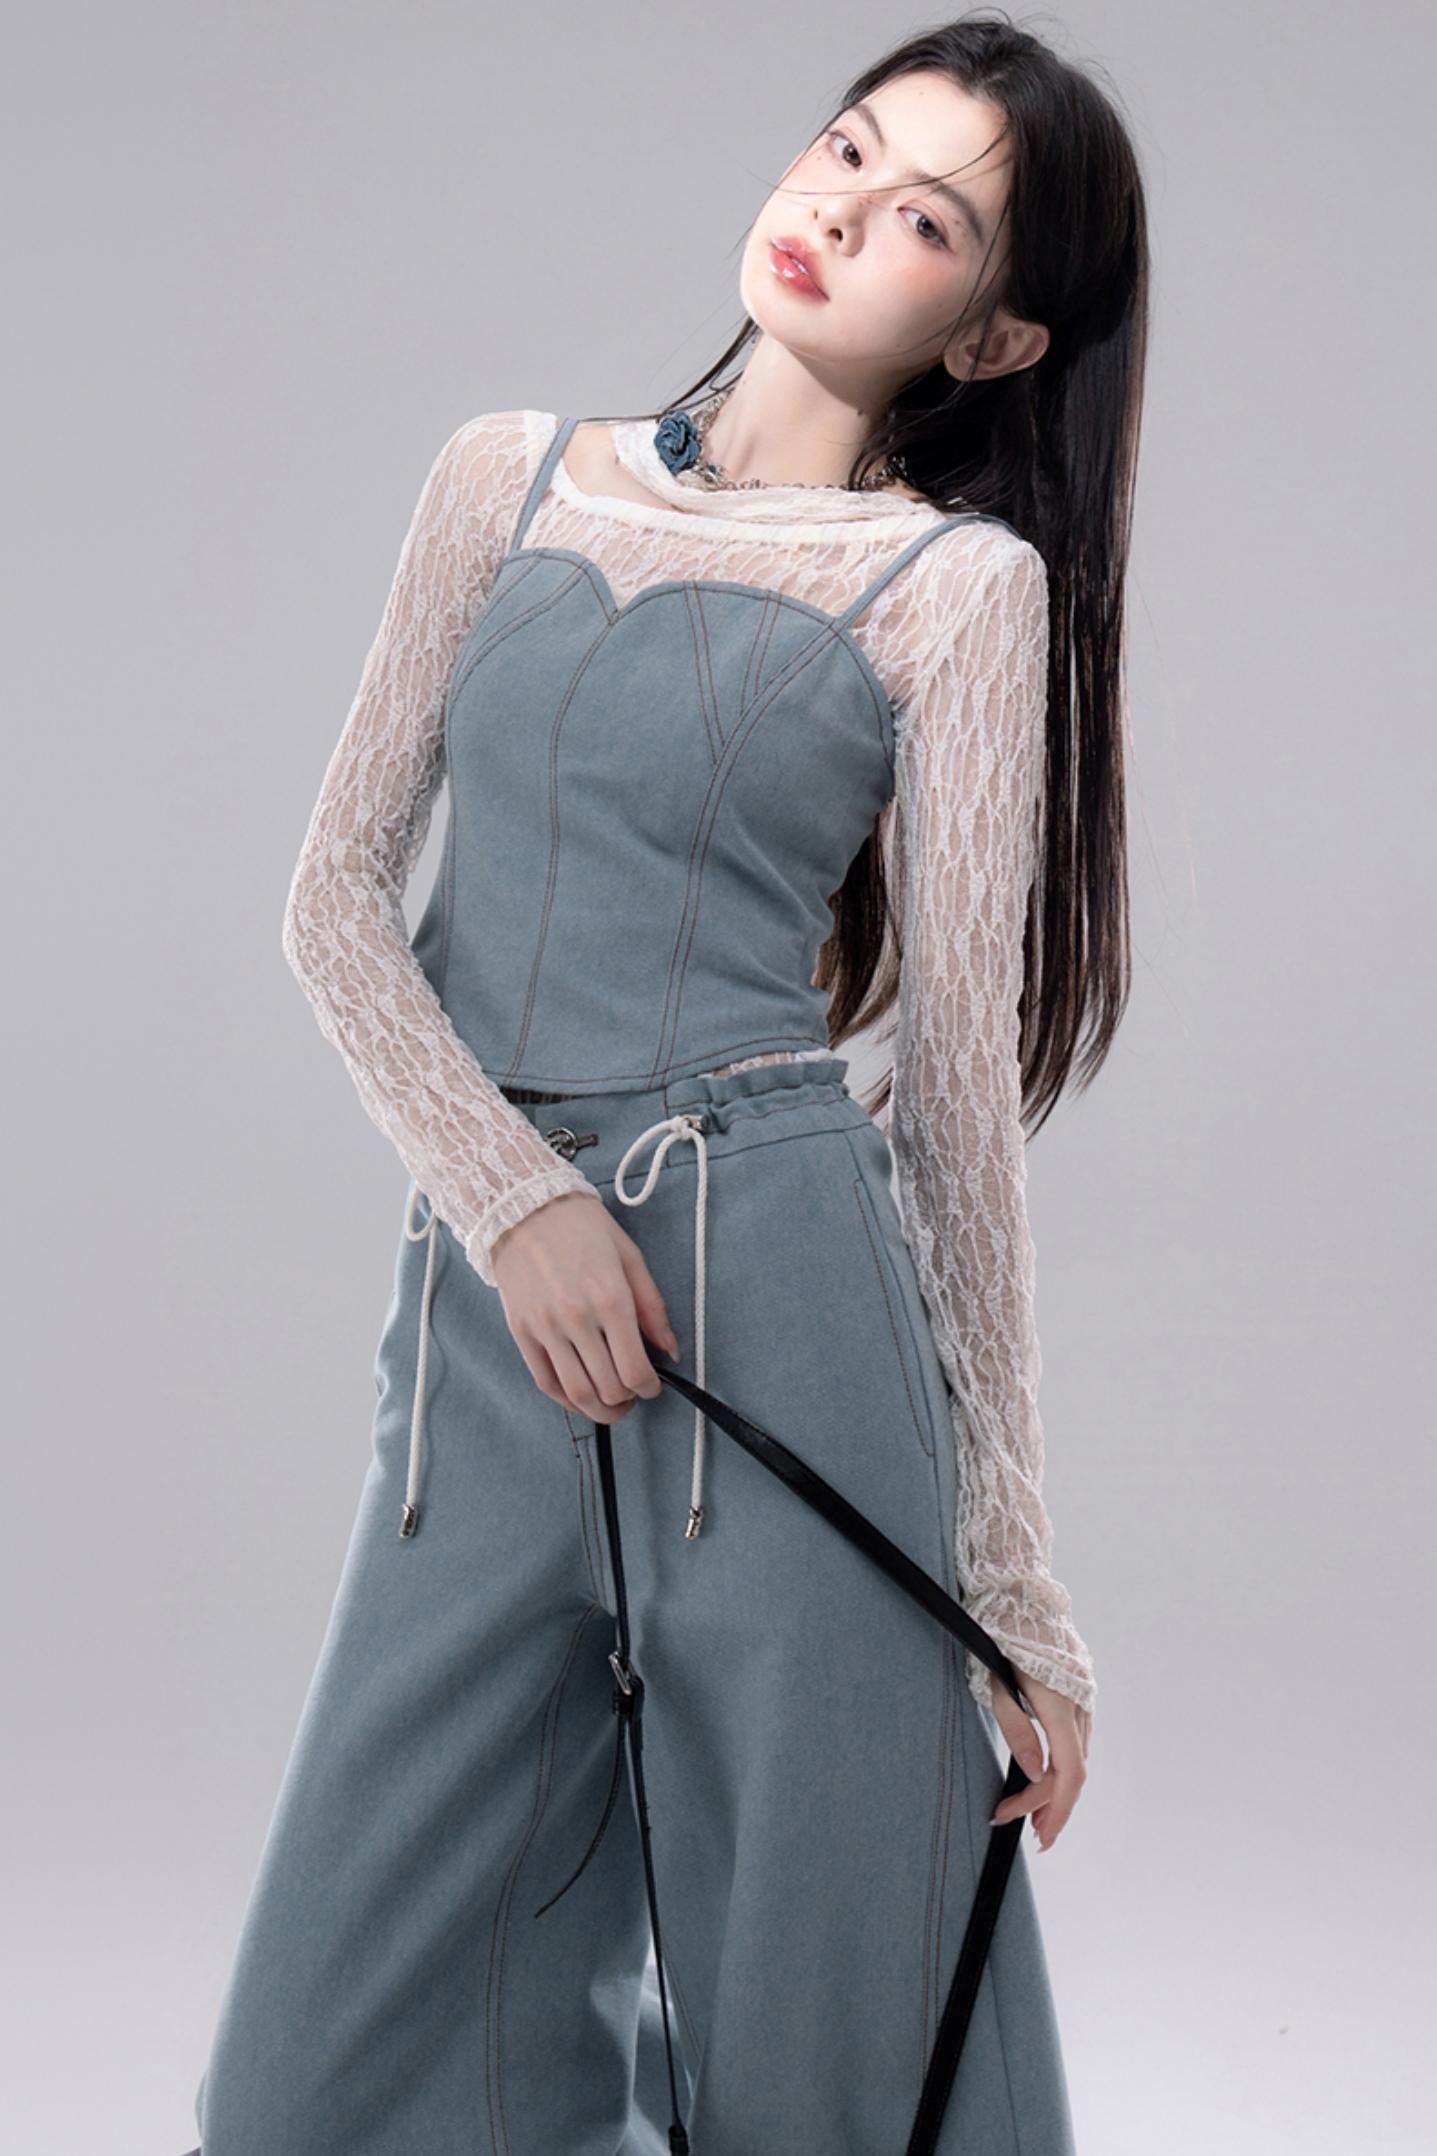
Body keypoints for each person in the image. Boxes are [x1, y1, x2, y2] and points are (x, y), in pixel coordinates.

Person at [187, 14, 1146, 2152]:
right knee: (315, 2078)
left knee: (830, 2036)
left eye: (925, 220)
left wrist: (1014, 1578)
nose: (839, 210)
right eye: (848, 148)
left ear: (991, 337)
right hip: (491, 1332)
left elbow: (952, 1110)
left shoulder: (954, 590)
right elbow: (333, 907)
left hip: (780, 1331)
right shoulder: (502, 474)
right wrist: (512, 1200)